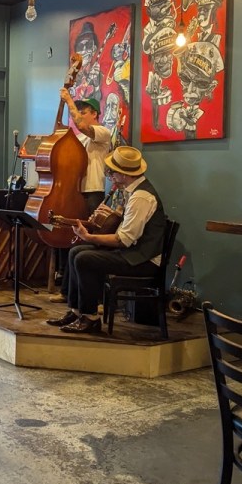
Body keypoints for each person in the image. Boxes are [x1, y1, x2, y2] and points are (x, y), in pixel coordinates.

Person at [46, 146, 165, 334]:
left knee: (84, 258)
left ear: (124, 174)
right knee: (76, 250)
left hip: (143, 260)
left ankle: (90, 317)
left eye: (112, 171)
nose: (110, 175)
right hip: (133, 253)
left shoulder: (141, 197)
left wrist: (89, 236)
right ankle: (76, 312)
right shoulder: (133, 192)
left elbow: (123, 240)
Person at [49, 89, 113, 303]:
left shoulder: (103, 133)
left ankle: (97, 299)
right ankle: (68, 292)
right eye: (77, 112)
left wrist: (68, 100)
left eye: (82, 111)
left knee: (92, 246)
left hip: (93, 195)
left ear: (94, 113)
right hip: (76, 194)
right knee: (74, 243)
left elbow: (83, 126)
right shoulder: (81, 141)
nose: (78, 116)